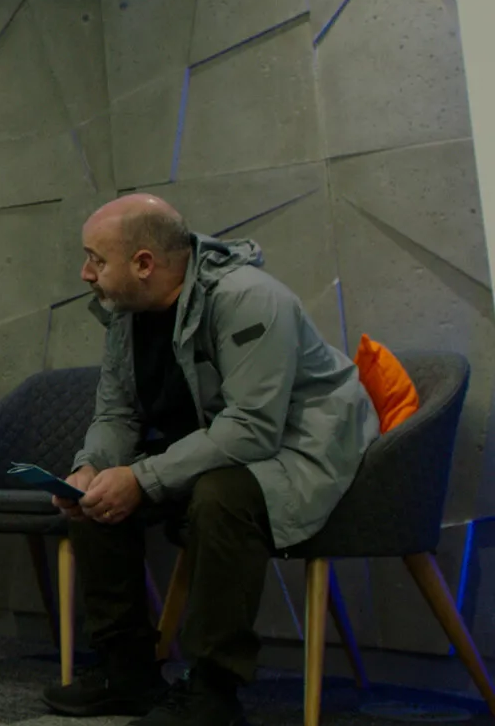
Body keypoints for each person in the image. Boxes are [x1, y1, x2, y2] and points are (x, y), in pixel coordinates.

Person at [44, 194, 378, 726]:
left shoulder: (249, 299)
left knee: (219, 496)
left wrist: (143, 477)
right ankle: (127, 670)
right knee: (95, 496)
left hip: (303, 449)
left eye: (96, 259)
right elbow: (117, 414)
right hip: (221, 447)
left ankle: (214, 690)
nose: (85, 274)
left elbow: (252, 427)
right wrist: (94, 466)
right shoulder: (126, 316)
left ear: (144, 263)